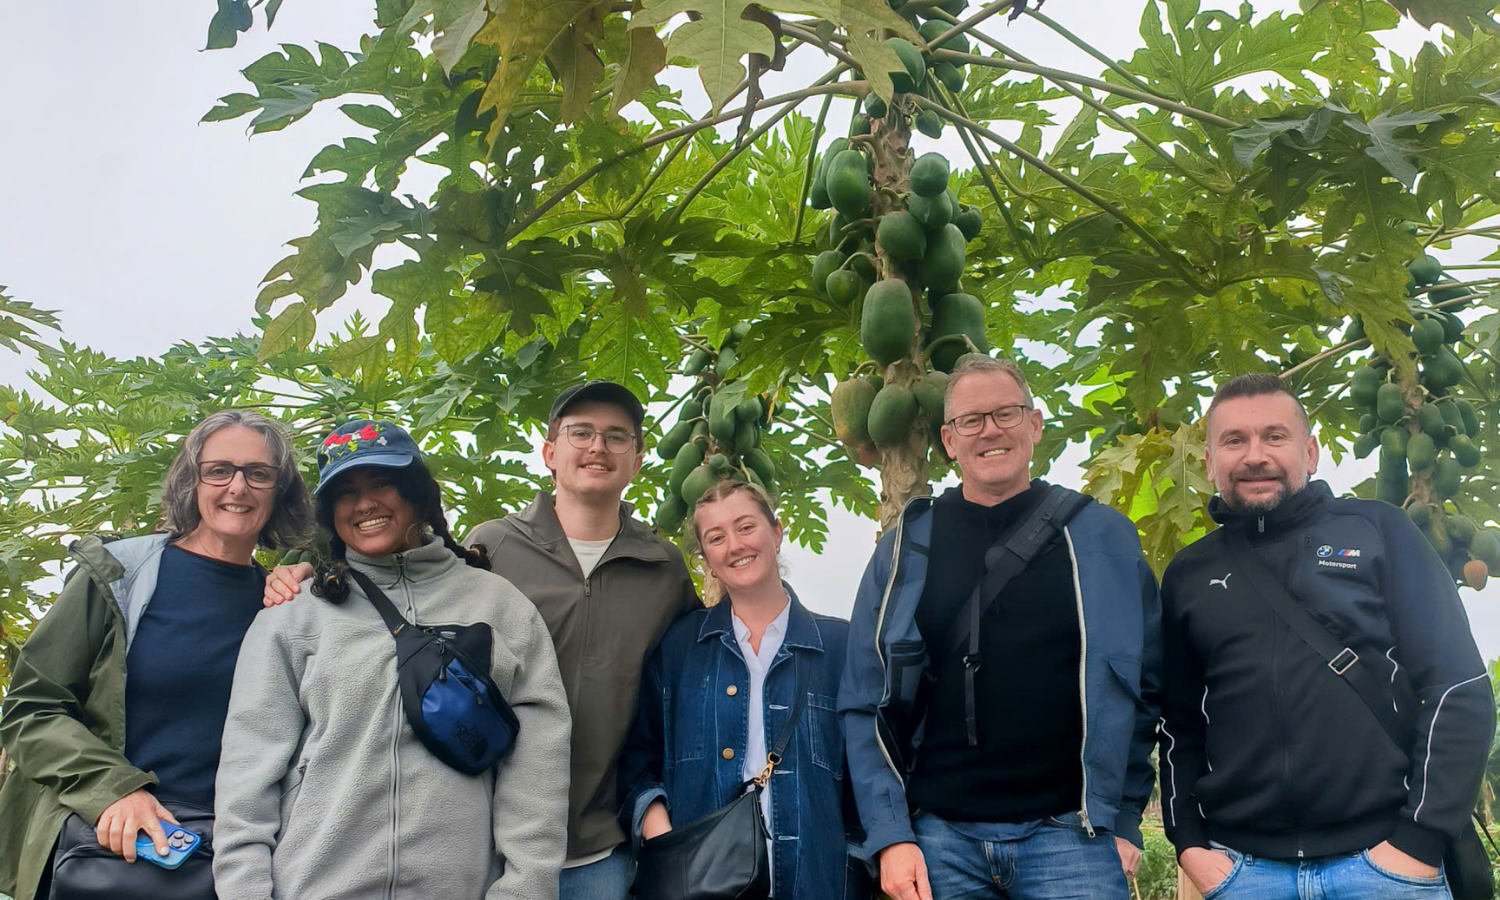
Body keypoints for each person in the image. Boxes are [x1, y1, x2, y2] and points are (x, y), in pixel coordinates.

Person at [263, 381, 700, 899]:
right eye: (580, 433)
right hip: (483, 842)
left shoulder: (664, 567)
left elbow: (691, 676)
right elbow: (403, 587)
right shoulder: (490, 547)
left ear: (639, 458)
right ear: (549, 452)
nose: (597, 448)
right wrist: (310, 578)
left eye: (616, 437)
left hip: (603, 838)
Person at [1160, 374, 1494, 900]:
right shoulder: (1187, 573)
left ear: (1310, 452)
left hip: (1385, 866)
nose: (1254, 456)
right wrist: (1190, 845)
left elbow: (1458, 687)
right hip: (1242, 873)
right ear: (1209, 462)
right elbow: (1178, 724)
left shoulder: (1379, 530)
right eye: (1233, 441)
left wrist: (1419, 842)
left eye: (1274, 436)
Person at [839, 355, 1162, 900]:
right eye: (971, 420)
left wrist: (1126, 816)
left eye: (1006, 414)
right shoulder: (905, 546)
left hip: (1072, 838)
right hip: (939, 837)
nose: (990, 430)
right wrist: (891, 833)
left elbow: (1149, 684)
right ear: (948, 439)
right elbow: (864, 697)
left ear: (1034, 425)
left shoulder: (1103, 538)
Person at [213, 419, 571, 900]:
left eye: (382, 482)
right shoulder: (293, 618)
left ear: (419, 494)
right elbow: (246, 777)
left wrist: (524, 890)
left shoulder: (500, 607)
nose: (364, 503)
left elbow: (538, 768)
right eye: (345, 492)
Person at [0, 410, 314, 900]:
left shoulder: (283, 602)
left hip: (226, 862)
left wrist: (311, 582)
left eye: (259, 473)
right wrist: (114, 789)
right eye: (219, 470)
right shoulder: (118, 575)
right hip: (107, 848)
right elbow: (31, 708)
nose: (238, 487)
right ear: (192, 480)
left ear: (280, 491)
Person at [617, 480, 860, 899]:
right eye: (716, 538)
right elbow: (637, 761)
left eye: (746, 527)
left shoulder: (841, 647)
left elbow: (869, 775)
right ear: (707, 561)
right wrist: (664, 840)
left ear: (777, 532)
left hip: (815, 881)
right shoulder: (678, 649)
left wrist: (854, 863)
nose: (734, 545)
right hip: (700, 886)